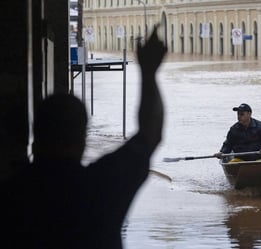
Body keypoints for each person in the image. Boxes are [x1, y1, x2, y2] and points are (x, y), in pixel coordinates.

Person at [8, 27, 167, 249]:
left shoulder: (11, 191)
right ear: (82, 139)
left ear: (35, 137)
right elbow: (150, 133)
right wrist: (149, 72)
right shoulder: (101, 186)